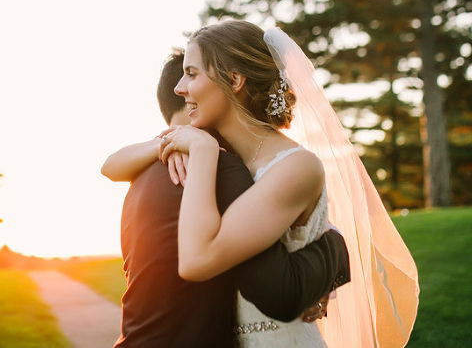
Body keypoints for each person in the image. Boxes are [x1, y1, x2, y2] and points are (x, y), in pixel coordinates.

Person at [159, 20, 420, 347]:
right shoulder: (217, 155)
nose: (179, 88)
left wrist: (200, 149)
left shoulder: (295, 166)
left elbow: (197, 260)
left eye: (192, 74)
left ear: (235, 80)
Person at [102, 49, 350, 348]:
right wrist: (335, 247)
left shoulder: (140, 174)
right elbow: (278, 286)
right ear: (191, 99)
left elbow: (109, 166)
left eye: (193, 75)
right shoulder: (221, 167)